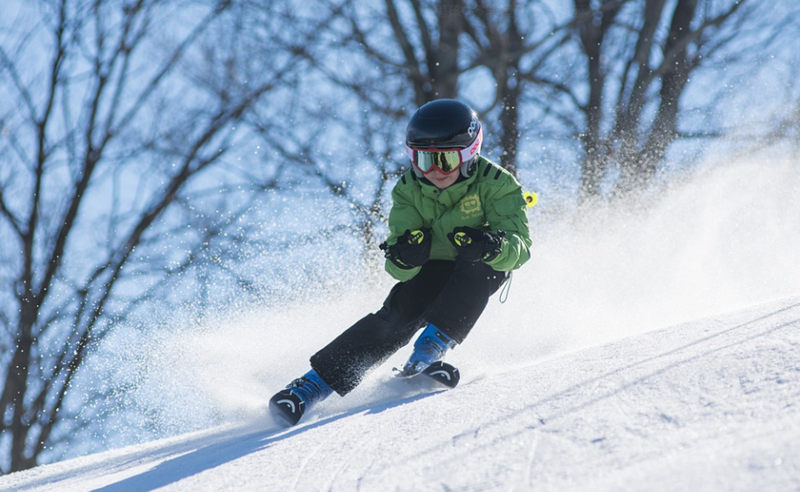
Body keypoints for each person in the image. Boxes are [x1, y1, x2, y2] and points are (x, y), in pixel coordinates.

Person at [269, 99, 532, 426]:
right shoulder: (408, 189)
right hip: (431, 267)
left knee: (481, 269)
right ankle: (310, 387)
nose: (433, 170)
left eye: (445, 159)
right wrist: (405, 255)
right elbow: (397, 267)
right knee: (399, 313)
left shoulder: (497, 183)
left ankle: (427, 352)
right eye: (422, 160)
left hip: (478, 264)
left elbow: (520, 248)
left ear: (468, 155)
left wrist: (492, 245)